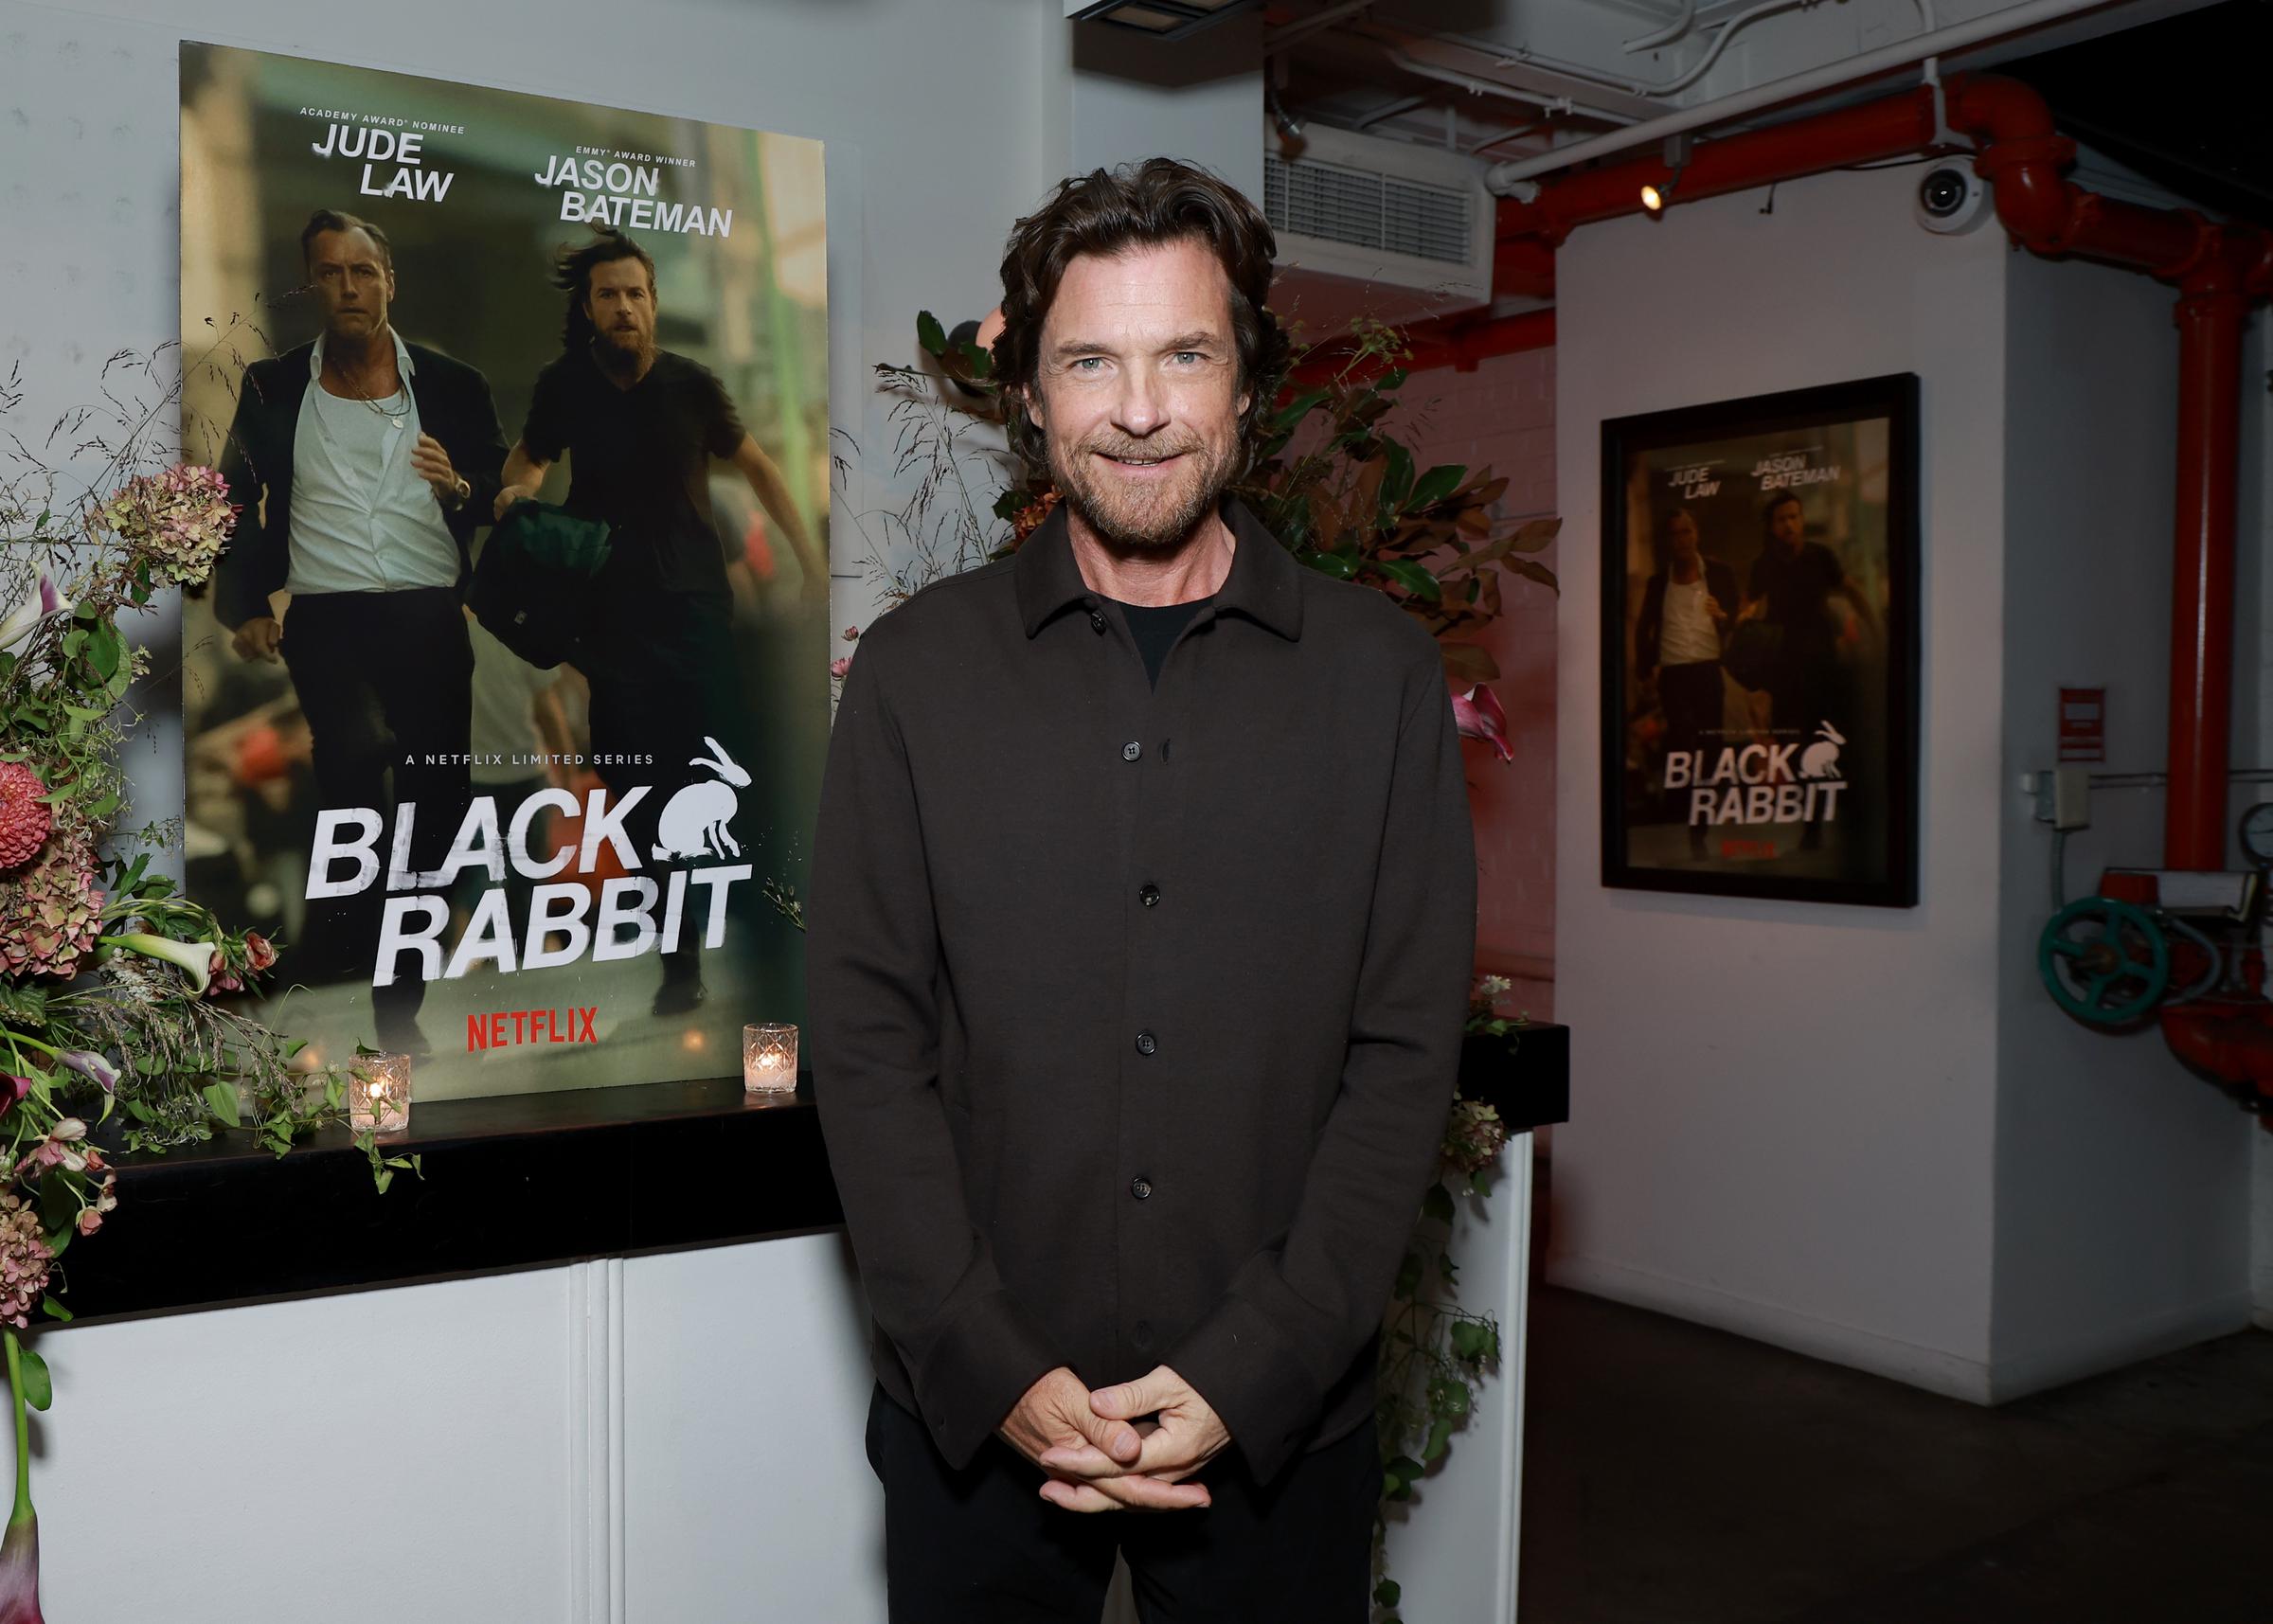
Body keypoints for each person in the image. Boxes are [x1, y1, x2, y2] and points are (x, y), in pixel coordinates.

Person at [807, 159, 1476, 1623]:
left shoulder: (1377, 676)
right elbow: (863, 1050)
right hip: (976, 1434)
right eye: (1089, 361)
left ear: (1250, 384)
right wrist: (990, 1361)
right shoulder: (916, 673)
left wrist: (1259, 1365)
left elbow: (1404, 1053)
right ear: (1029, 394)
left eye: (1185, 353)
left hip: (1285, 1440)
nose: (1140, 407)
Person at [493, 227, 823, 1016]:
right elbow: (529, 461)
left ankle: (780, 937)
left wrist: (813, 565)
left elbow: (759, 467)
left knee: (726, 773)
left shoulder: (691, 384)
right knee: (637, 790)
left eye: (636, 293)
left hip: (698, 614)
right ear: (589, 307)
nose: (624, 307)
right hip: (609, 623)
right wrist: (515, 494)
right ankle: (680, 959)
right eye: (608, 294)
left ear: (653, 301)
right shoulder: (566, 386)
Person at [212, 207, 507, 1053]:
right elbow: (232, 499)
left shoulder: (453, 384)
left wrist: (458, 487)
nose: (349, 287)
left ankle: (395, 991)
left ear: (389, 282)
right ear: (311, 285)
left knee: (438, 807)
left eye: (364, 272)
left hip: (428, 614)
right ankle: (351, 944)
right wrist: (246, 606)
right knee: (355, 760)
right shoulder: (272, 386)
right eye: (331, 273)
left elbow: (498, 490)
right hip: (328, 617)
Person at [1735, 490, 1878, 848]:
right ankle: (1812, 822)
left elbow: (1851, 590)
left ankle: (1846, 820)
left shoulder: (1820, 556)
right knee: (1793, 745)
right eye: (1782, 519)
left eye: (1794, 516)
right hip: (1785, 667)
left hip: (1824, 663)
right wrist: (1743, 623)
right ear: (1771, 526)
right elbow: (1750, 604)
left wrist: (1877, 629)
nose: (1790, 524)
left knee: (1833, 740)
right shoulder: (1764, 564)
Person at [1635, 507, 1736, 856]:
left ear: (1697, 534)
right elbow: (1643, 629)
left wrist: (1722, 617)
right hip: (1674, 673)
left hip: (1708, 669)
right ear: (1668, 540)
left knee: (1711, 744)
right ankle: (1687, 816)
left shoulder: (1719, 574)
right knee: (1682, 743)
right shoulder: (1658, 583)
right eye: (1674, 534)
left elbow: (1735, 620)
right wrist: (1645, 671)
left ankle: (1702, 819)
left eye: (1686, 532)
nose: (1681, 540)